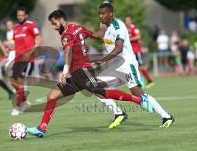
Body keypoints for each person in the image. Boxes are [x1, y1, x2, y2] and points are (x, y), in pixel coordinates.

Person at [27, 9, 168, 138]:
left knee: (101, 92)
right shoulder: (78, 28)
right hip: (76, 73)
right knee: (52, 96)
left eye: (54, 23)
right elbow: (96, 35)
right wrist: (104, 28)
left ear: (60, 19)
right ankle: (42, 128)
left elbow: (68, 52)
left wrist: (64, 72)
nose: (53, 26)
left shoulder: (66, 34)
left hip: (82, 70)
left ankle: (139, 100)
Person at [9, 7, 42, 116]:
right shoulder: (15, 28)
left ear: (26, 15)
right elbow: (15, 44)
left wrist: (32, 51)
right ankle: (24, 102)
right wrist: (10, 48)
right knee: (13, 81)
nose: (20, 17)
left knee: (19, 82)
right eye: (18, 15)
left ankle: (18, 107)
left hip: (28, 59)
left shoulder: (31, 25)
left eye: (22, 15)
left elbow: (39, 40)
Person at [124, 16, 154, 88]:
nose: (127, 22)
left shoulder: (133, 27)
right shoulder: (125, 29)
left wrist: (129, 39)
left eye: (128, 20)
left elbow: (138, 36)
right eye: (126, 20)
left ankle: (149, 81)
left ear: (131, 21)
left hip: (136, 51)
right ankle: (139, 81)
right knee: (131, 67)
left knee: (140, 67)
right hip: (130, 52)